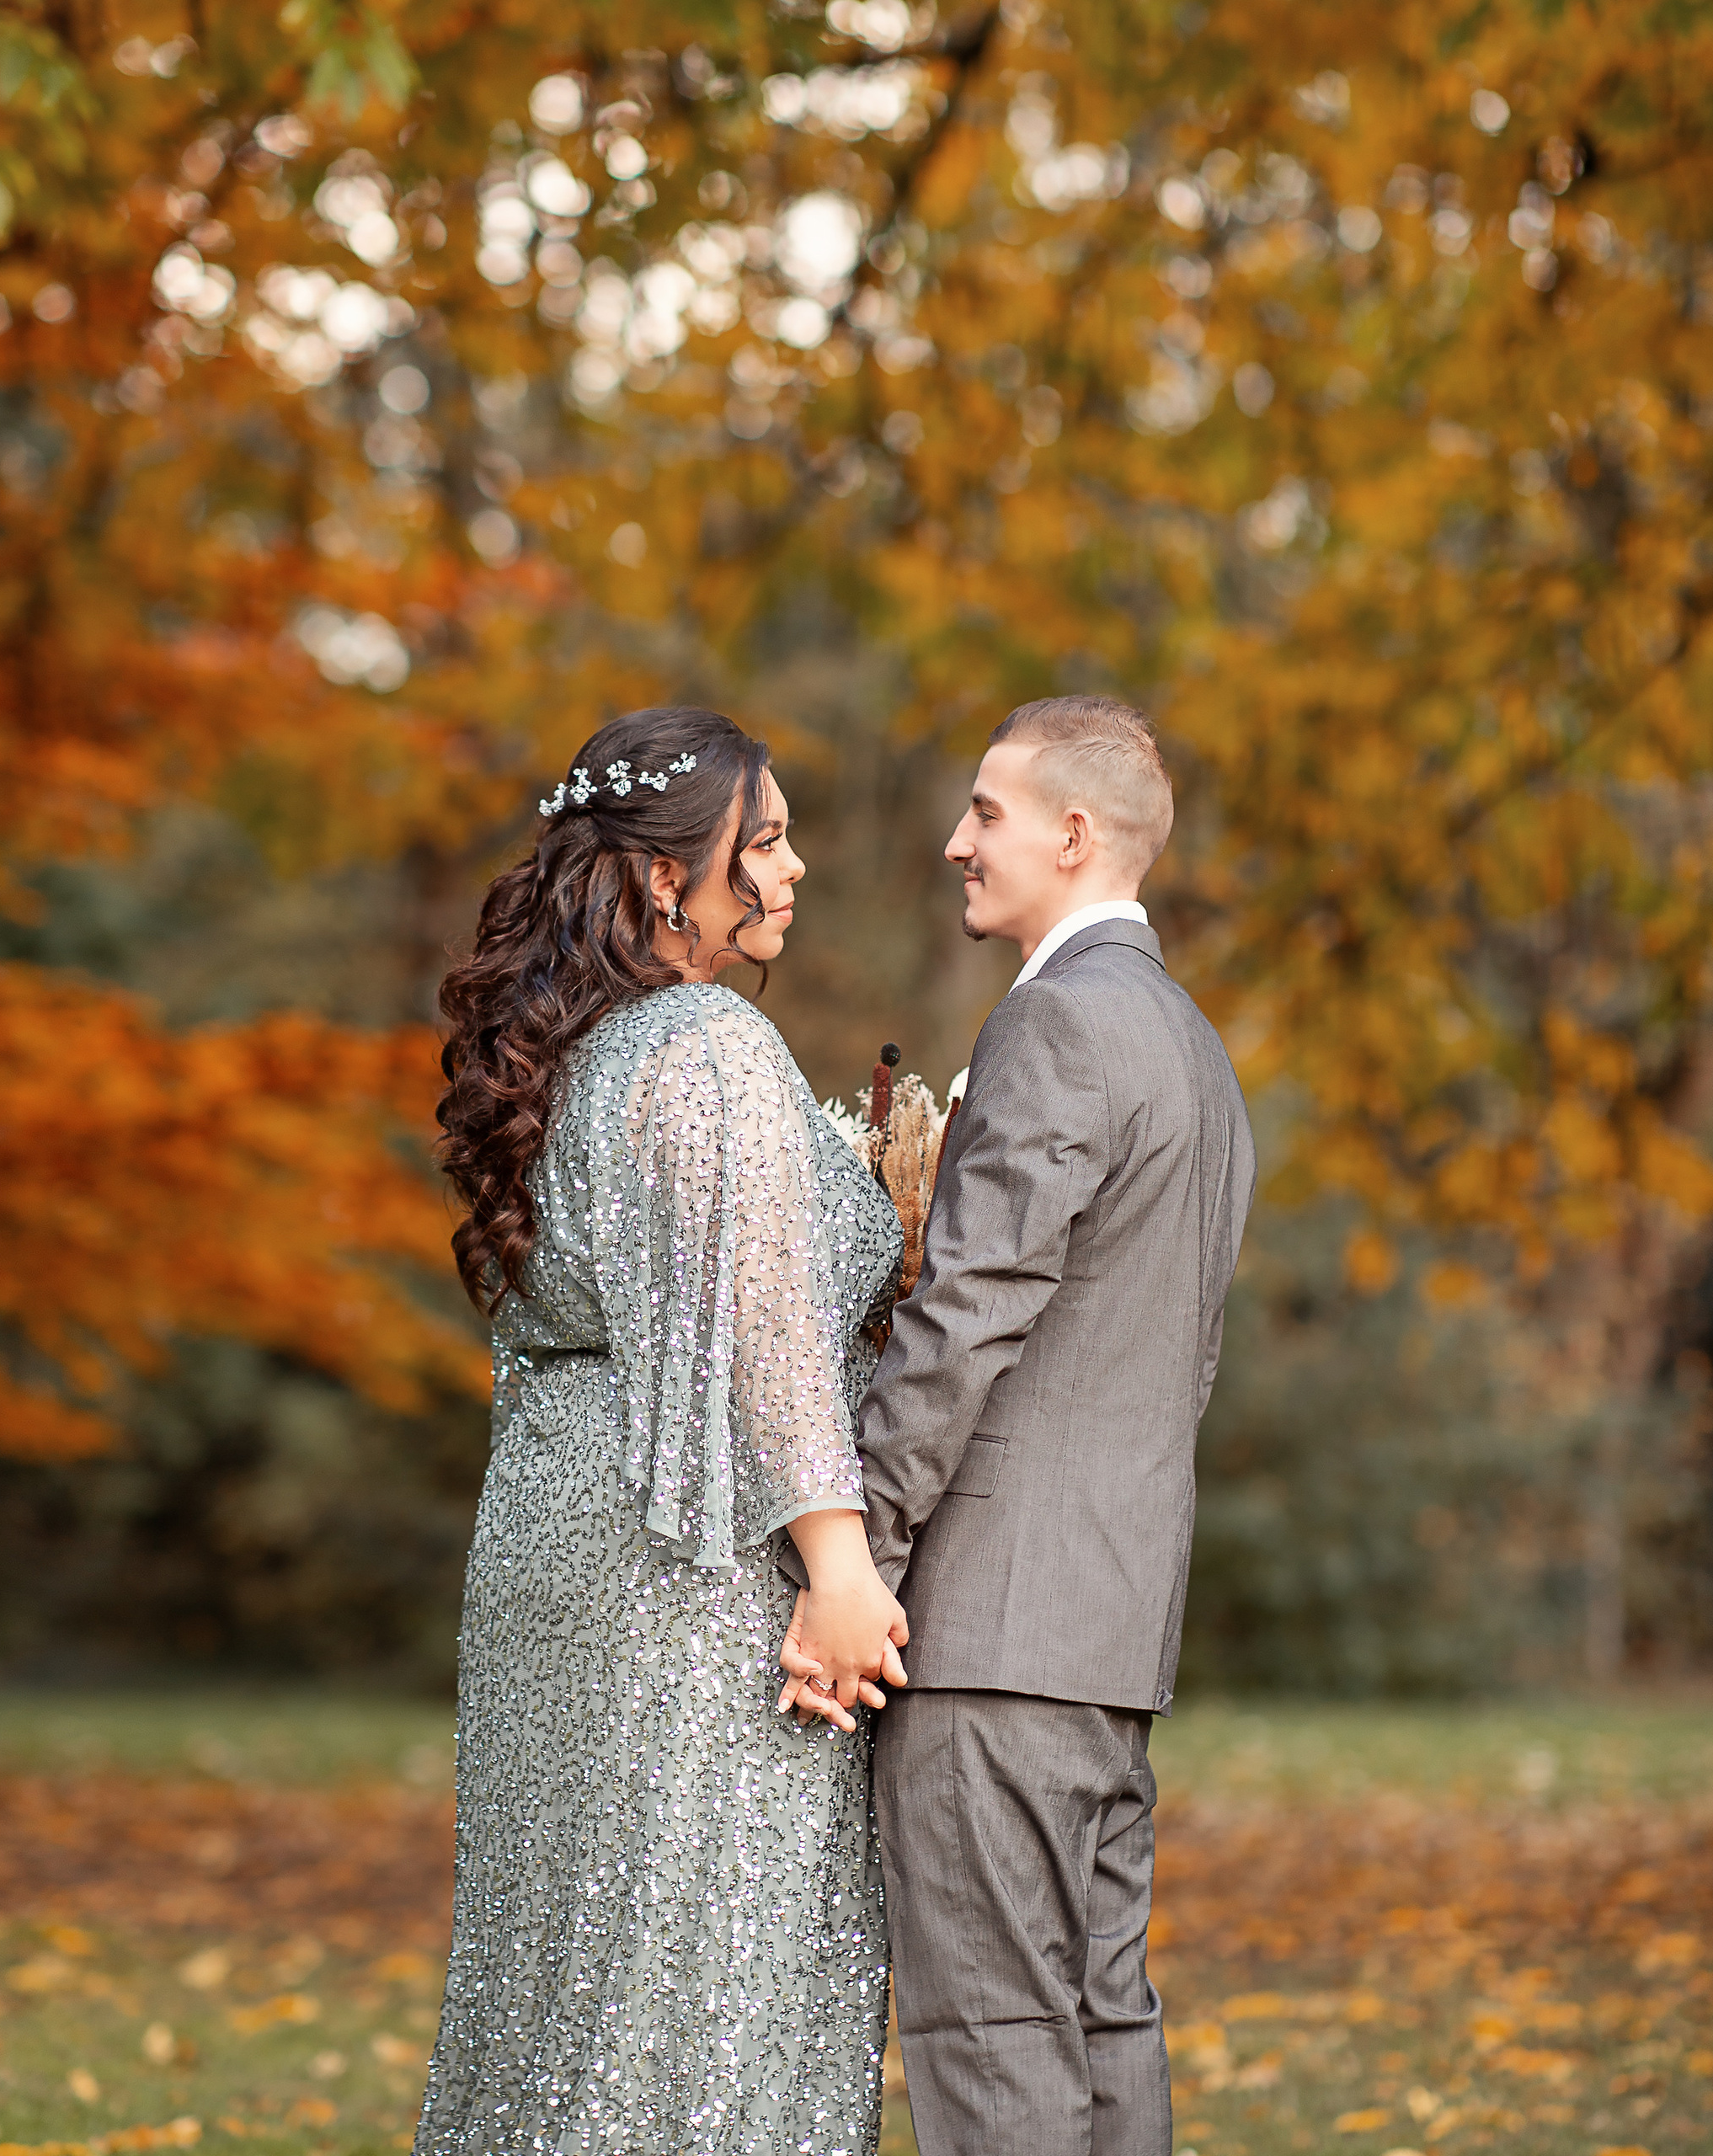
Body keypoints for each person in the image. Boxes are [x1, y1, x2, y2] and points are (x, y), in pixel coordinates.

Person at [418, 705, 908, 2156]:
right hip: (689, 1575)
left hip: (551, 1546)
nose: (796, 869)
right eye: (763, 843)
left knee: (553, 1993)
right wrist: (838, 1567)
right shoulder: (706, 1042)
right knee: (702, 1991)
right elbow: (762, 1334)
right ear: (661, 879)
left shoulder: (569, 1051)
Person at [821, 696, 1257, 2156]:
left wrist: (856, 1561)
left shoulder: (1057, 1025)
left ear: (1074, 834)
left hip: (999, 1631)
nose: (957, 841)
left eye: (987, 814)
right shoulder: (1193, 1049)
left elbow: (968, 1320)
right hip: (1116, 1625)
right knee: (1101, 2021)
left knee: (994, 2038)